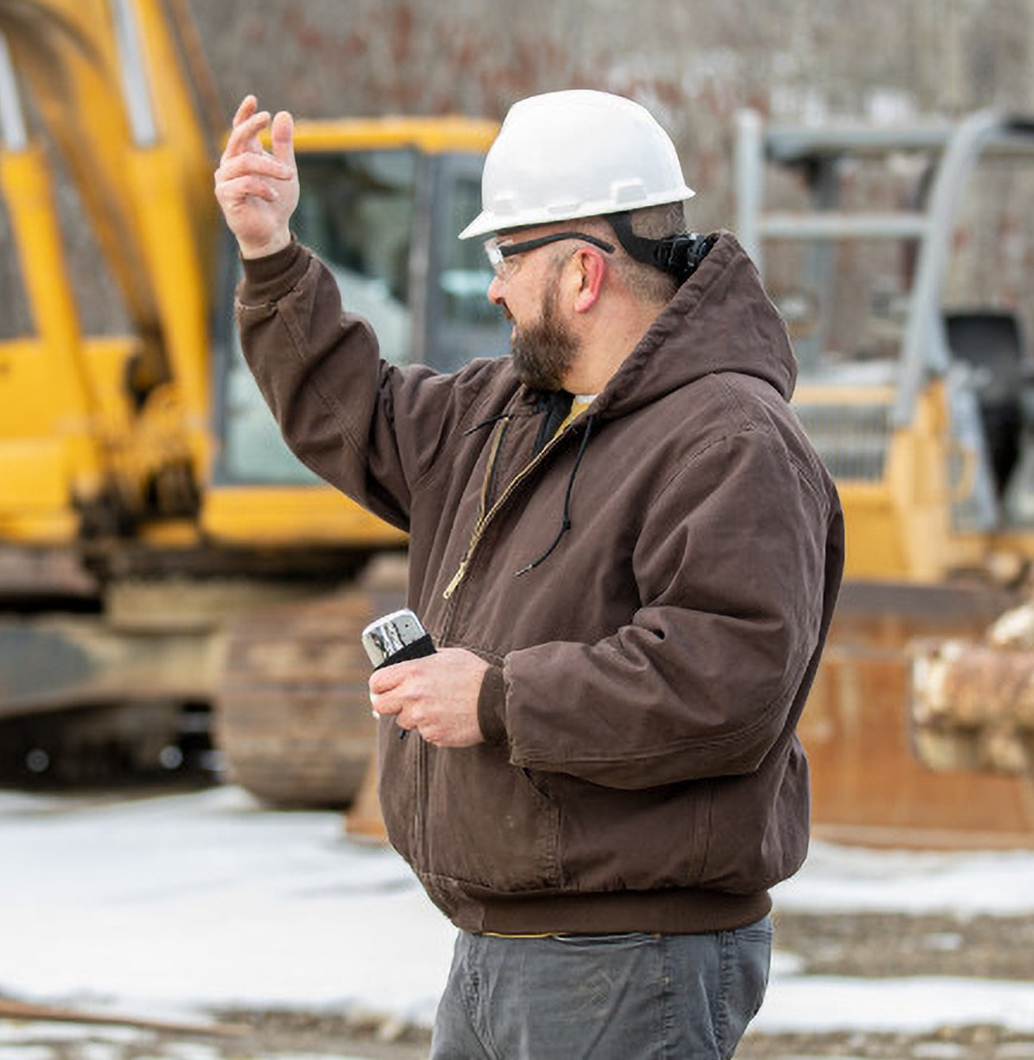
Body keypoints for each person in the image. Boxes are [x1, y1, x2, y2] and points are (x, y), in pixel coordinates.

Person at [215, 88, 844, 1059]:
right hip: (507, 942)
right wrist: (271, 254)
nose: (497, 287)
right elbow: (356, 412)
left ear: (582, 271)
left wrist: (499, 697)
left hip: (629, 954)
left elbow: (724, 680)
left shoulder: (728, 438)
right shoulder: (510, 413)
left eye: (506, 257)